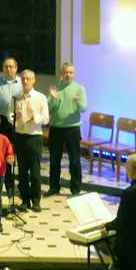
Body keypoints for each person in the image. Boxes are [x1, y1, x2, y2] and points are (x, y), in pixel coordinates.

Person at [9, 70, 49, 212]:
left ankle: (36, 201)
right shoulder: (16, 98)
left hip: (34, 137)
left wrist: (34, 117)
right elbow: (9, 116)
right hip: (20, 136)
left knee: (35, 171)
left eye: (28, 79)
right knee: (22, 172)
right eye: (23, 79)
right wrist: (16, 116)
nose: (25, 81)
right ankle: (25, 200)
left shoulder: (40, 97)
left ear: (34, 80)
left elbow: (46, 118)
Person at [47, 62, 87, 196]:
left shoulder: (79, 89)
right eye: (66, 72)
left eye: (71, 72)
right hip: (56, 128)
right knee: (54, 160)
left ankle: (75, 189)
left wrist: (78, 101)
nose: (68, 75)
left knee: (74, 160)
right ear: (61, 74)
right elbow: (49, 108)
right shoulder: (56, 88)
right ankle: (53, 187)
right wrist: (53, 98)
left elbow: (84, 108)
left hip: (72, 129)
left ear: (74, 74)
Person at [0, 57, 22, 197]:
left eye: (11, 66)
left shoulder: (22, 82)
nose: (8, 69)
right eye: (6, 67)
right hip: (2, 121)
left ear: (16, 68)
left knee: (19, 154)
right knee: (5, 154)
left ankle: (22, 185)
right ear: (3, 69)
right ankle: (8, 185)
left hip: (19, 122)